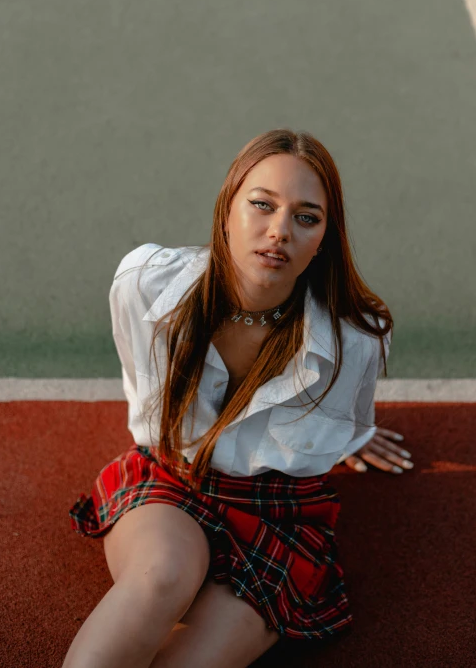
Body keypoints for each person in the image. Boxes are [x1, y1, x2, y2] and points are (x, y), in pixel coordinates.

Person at [64, 128, 413, 668]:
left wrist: (352, 432)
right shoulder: (144, 285)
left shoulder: (356, 341)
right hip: (173, 478)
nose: (279, 231)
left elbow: (333, 422)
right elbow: (144, 390)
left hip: (277, 514)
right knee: (161, 579)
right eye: (262, 205)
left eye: (306, 216)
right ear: (227, 209)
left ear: (324, 238)